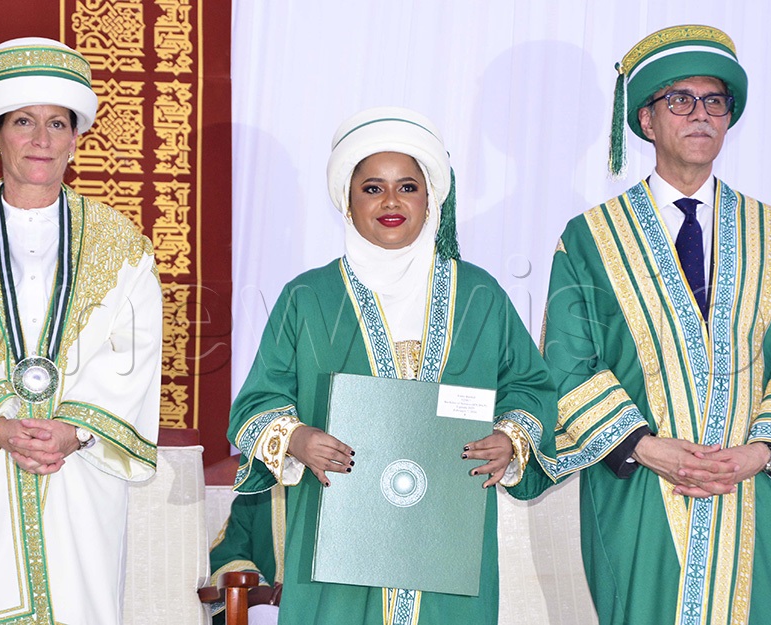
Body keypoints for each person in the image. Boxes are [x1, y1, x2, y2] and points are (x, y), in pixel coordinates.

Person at [540, 25, 771, 625]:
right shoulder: (590, 239)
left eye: (714, 101)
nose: (700, 114)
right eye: (679, 99)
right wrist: (646, 447)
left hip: (752, 492)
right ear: (647, 121)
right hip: (639, 488)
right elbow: (569, 363)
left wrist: (758, 454)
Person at [228, 106, 557, 625]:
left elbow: (532, 388)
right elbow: (256, 403)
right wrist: (296, 438)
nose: (390, 202)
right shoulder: (308, 297)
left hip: (450, 534)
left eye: (407, 186)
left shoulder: (480, 295)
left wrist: (511, 438)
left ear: (430, 200)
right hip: (334, 535)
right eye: (372, 188)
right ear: (346, 200)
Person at [0, 37, 162, 624]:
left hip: (77, 474)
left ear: (75, 137)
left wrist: (75, 429)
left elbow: (133, 357)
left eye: (57, 123)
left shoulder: (123, 245)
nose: (42, 139)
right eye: (23, 122)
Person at [208, 486, 285, 625]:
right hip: (271, 609)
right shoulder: (261, 489)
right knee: (262, 614)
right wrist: (259, 590)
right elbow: (227, 554)